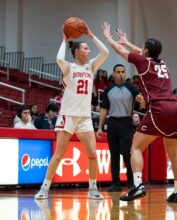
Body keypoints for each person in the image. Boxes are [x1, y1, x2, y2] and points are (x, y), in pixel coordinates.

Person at [102, 22, 177, 202]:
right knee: (174, 153)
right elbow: (143, 51)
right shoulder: (162, 63)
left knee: (136, 146)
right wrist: (127, 41)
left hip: (160, 108)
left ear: (146, 51)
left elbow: (120, 51)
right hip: (176, 108)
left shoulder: (142, 61)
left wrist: (108, 37)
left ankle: (138, 185)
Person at [35, 22, 109, 200]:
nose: (89, 51)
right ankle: (45, 187)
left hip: (84, 117)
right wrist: (64, 40)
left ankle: (92, 188)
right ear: (77, 52)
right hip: (67, 115)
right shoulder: (69, 67)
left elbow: (105, 52)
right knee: (59, 153)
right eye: (86, 48)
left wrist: (91, 35)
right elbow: (59, 59)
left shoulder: (91, 66)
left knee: (92, 154)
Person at [96, 64, 139, 192]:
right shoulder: (108, 90)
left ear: (125, 74)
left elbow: (142, 102)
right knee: (114, 155)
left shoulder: (132, 89)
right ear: (114, 74)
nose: (120, 74)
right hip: (112, 123)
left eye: (123, 72)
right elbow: (104, 109)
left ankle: (131, 182)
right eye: (118, 72)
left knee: (126, 153)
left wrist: (141, 103)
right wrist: (99, 128)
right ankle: (115, 183)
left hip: (126, 123)